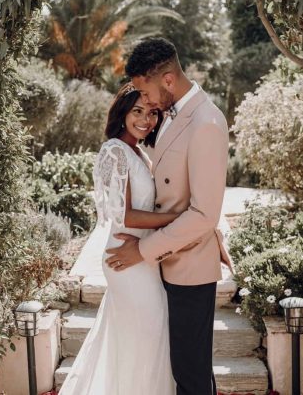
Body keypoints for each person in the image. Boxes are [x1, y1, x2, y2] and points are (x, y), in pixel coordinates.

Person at [105, 37, 232, 395]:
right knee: (183, 369)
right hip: (170, 262)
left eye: (145, 91)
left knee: (190, 373)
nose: (143, 101)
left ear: (167, 80)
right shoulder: (175, 115)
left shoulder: (206, 122)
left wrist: (143, 251)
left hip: (189, 266)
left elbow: (204, 213)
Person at [59, 83, 177, 395]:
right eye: (137, 111)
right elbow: (124, 216)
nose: (146, 119)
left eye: (152, 113)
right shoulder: (114, 151)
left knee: (141, 340)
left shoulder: (139, 152)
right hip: (125, 259)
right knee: (146, 337)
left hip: (143, 256)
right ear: (122, 112)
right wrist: (179, 219)